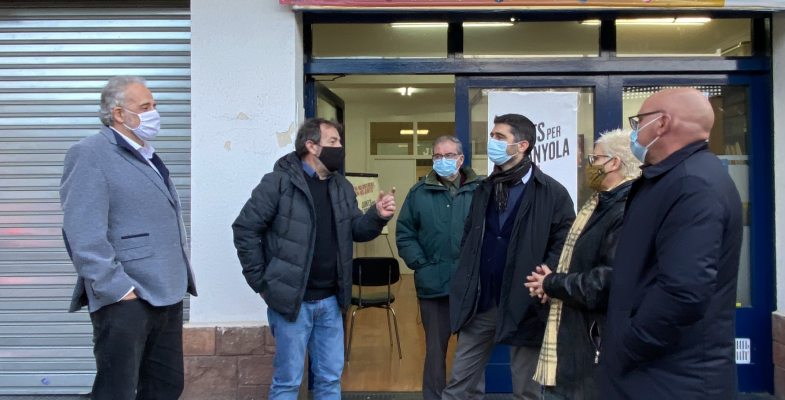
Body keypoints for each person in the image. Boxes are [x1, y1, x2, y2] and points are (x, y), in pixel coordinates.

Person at [231, 118, 395, 400]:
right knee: (287, 382)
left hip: (331, 301)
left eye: (339, 142)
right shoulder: (278, 183)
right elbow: (245, 229)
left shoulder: (341, 187)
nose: (339, 147)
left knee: (330, 380)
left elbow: (356, 230)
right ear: (311, 146)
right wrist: (261, 282)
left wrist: (377, 216)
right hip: (292, 302)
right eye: (333, 142)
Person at [596, 88, 743, 400]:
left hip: (671, 378)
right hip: (653, 372)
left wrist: (629, 347)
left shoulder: (693, 184)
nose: (635, 131)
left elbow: (684, 290)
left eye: (639, 121)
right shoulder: (667, 179)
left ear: (661, 124)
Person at [60, 76, 197, 400]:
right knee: (116, 391)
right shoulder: (91, 153)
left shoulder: (146, 154)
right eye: (145, 107)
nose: (154, 113)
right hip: (127, 297)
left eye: (154, 106)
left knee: (166, 386)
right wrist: (119, 289)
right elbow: (82, 231)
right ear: (119, 114)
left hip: (166, 293)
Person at [443, 114, 576, 400]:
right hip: (481, 302)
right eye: (492, 135)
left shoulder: (552, 192)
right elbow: (470, 236)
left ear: (523, 145)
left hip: (526, 303)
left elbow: (564, 242)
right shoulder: (484, 188)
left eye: (500, 137)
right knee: (459, 386)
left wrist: (547, 278)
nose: (492, 141)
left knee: (527, 390)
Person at [524, 129, 642, 400]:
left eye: (595, 158)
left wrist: (552, 283)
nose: (590, 164)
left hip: (592, 345)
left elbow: (607, 281)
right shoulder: (601, 205)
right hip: (578, 338)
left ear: (613, 163)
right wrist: (553, 282)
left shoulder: (625, 209)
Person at [396, 136, 481, 400]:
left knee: (474, 350)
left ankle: (469, 397)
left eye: (448, 155)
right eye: (437, 156)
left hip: (471, 285)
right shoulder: (418, 192)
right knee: (434, 350)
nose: (442, 161)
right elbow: (405, 233)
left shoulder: (481, 190)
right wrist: (421, 264)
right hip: (434, 284)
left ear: (460, 158)